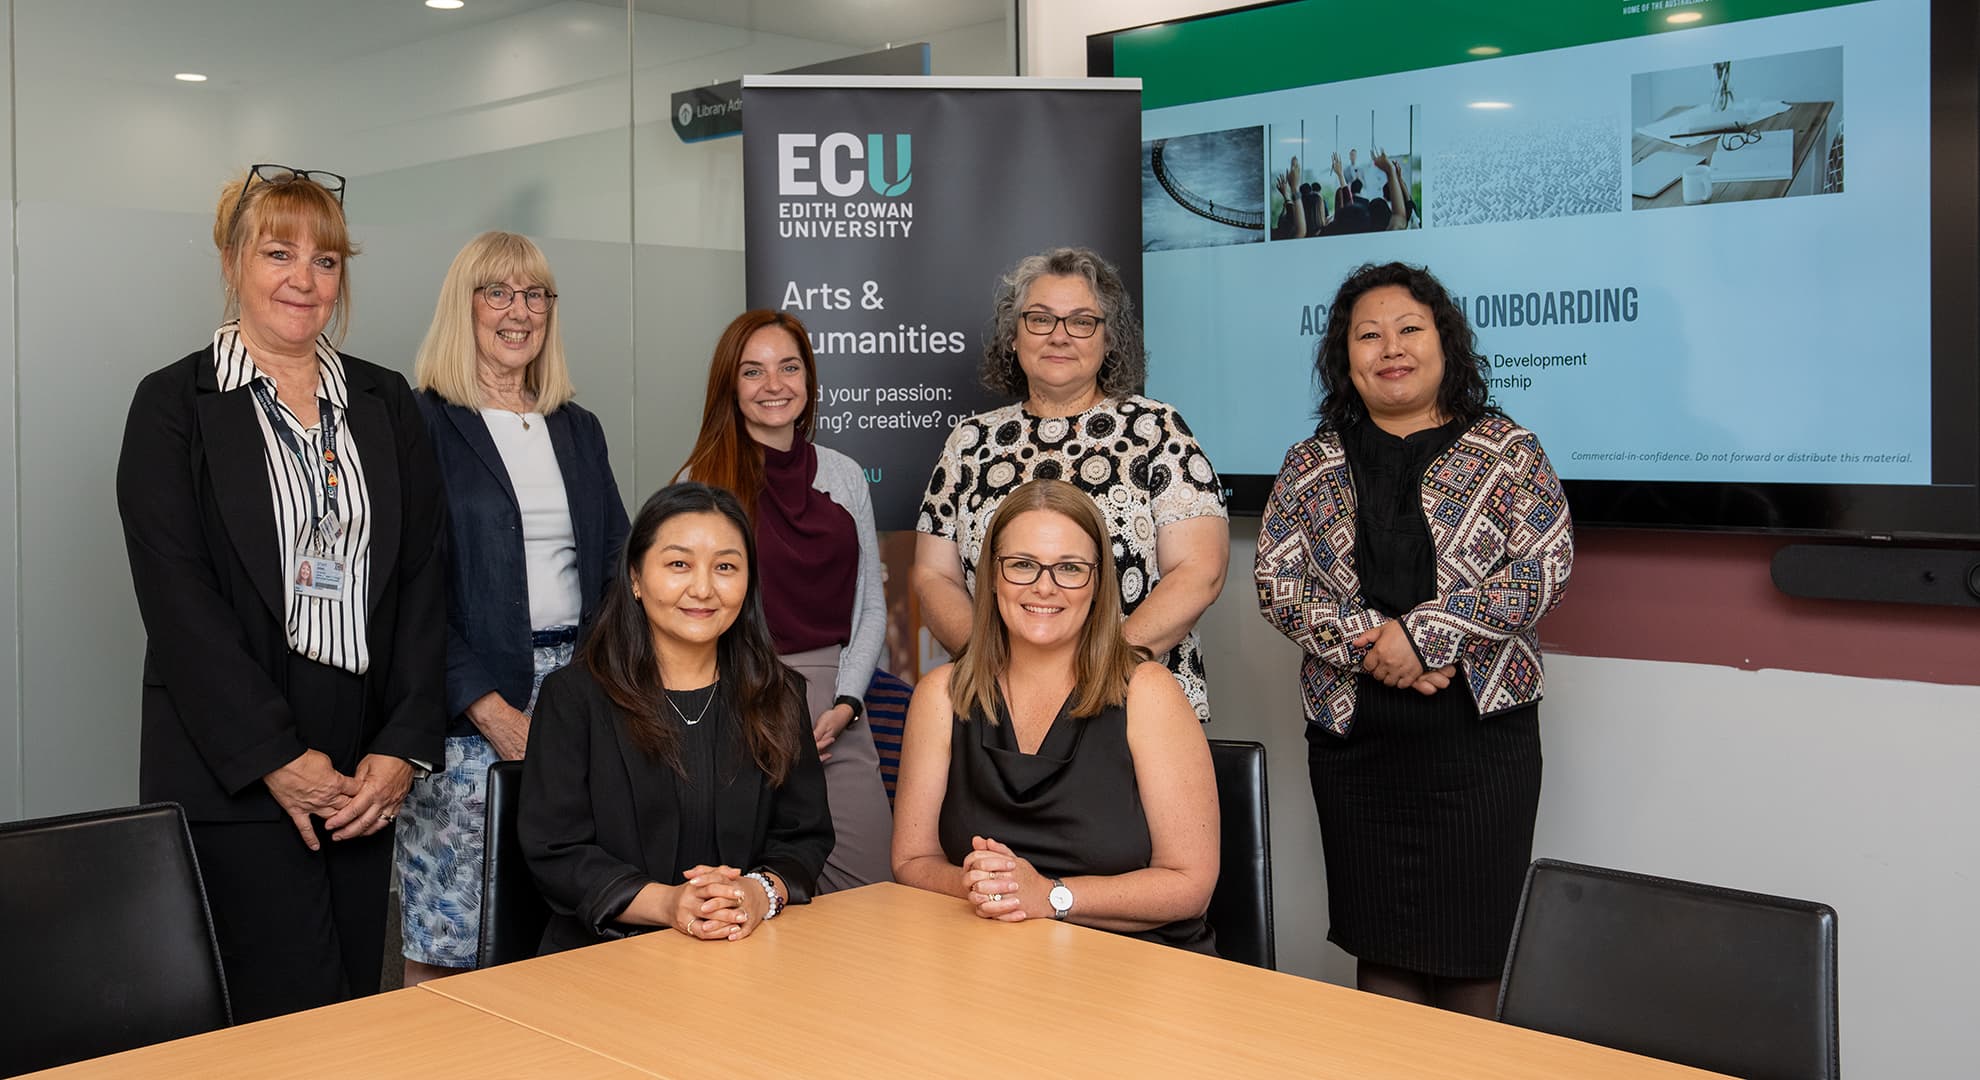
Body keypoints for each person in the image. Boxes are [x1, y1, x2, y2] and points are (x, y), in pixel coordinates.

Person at [116, 165, 446, 1021]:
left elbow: (422, 579)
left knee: (349, 1012)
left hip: (364, 762)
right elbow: (177, 600)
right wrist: (273, 757)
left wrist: (402, 747)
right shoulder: (173, 406)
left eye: (327, 259)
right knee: (264, 1026)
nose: (306, 279)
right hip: (234, 761)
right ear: (231, 263)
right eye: (278, 252)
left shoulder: (385, 402)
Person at [1254, 261, 1573, 1016]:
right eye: (1368, 335)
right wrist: (1377, 642)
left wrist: (1425, 638)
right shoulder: (1312, 461)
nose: (1389, 348)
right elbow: (1276, 581)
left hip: (1478, 735)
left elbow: (1543, 567)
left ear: (1443, 343)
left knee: (1475, 949)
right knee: (1382, 945)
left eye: (1408, 329)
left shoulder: (1508, 449)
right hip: (1355, 740)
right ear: (1345, 357)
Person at [396, 231, 631, 985]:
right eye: (497, 292)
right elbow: (408, 588)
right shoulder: (422, 424)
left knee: (568, 922)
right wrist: (490, 710)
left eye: (534, 294)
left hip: (580, 688)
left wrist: (594, 688)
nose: (518, 311)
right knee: (454, 934)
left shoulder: (577, 427)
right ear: (462, 307)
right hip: (466, 705)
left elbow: (615, 566)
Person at [893, 479, 1219, 953]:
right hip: (989, 961)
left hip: (1140, 974)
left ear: (1097, 583)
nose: (1044, 587)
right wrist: (990, 888)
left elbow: (1191, 886)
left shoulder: (1149, 693)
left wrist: (1048, 895)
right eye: (1023, 565)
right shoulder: (940, 696)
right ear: (991, 576)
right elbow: (912, 860)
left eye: (1069, 568)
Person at [914, 246, 1229, 721]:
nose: (1059, 336)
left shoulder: (1156, 430)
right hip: (1001, 706)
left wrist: (1101, 673)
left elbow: (1200, 570)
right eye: (1040, 319)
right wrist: (998, 671)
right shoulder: (969, 441)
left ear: (1108, 339)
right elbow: (933, 575)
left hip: (1134, 702)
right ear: (1013, 336)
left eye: (1081, 321)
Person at [519, 482, 832, 953]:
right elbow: (556, 850)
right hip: (602, 955)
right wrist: (670, 904)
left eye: (725, 567)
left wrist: (755, 893)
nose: (703, 588)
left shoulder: (778, 695)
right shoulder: (574, 698)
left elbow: (803, 836)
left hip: (745, 947)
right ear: (636, 579)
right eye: (678, 564)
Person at [677, 310, 892, 892]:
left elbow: (871, 606)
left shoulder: (845, 476)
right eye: (754, 371)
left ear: (809, 379)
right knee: (741, 885)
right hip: (735, 700)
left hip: (832, 705)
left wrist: (846, 703)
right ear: (731, 386)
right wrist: (755, 704)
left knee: (870, 890)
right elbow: (684, 617)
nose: (774, 385)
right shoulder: (700, 485)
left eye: (788, 367)